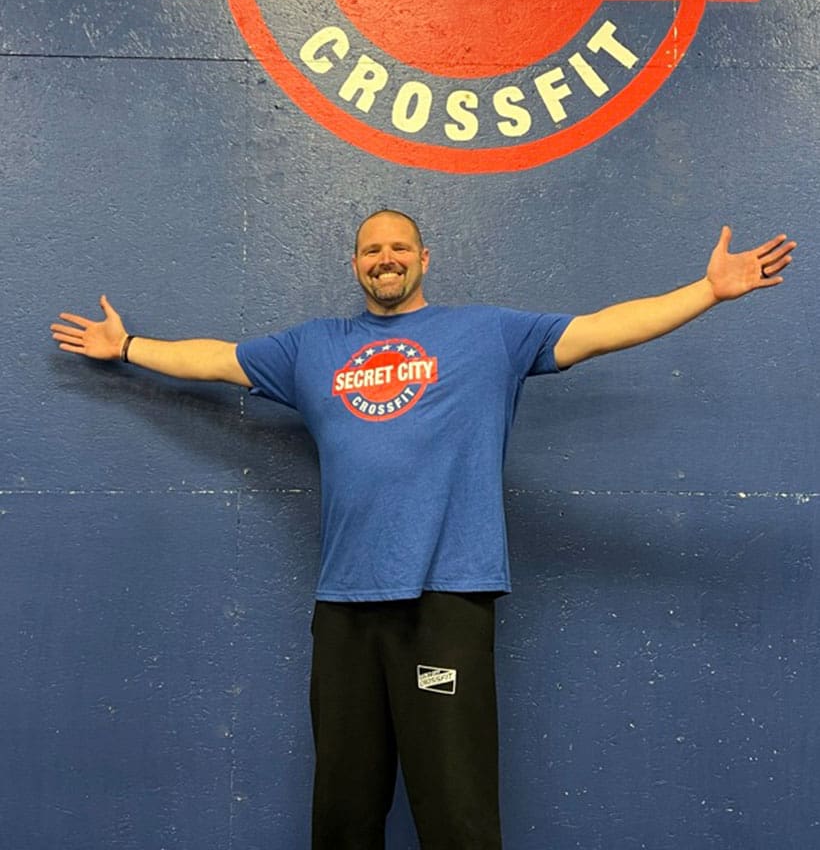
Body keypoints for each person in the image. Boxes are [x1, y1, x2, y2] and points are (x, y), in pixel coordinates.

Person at [50, 210, 795, 850]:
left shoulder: (489, 335)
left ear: (424, 259)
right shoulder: (312, 348)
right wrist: (128, 347)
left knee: (456, 814)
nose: (386, 258)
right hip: (344, 605)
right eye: (371, 249)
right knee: (342, 812)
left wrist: (707, 291)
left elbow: (600, 330)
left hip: (446, 598)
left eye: (399, 247)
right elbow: (216, 360)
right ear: (355, 265)